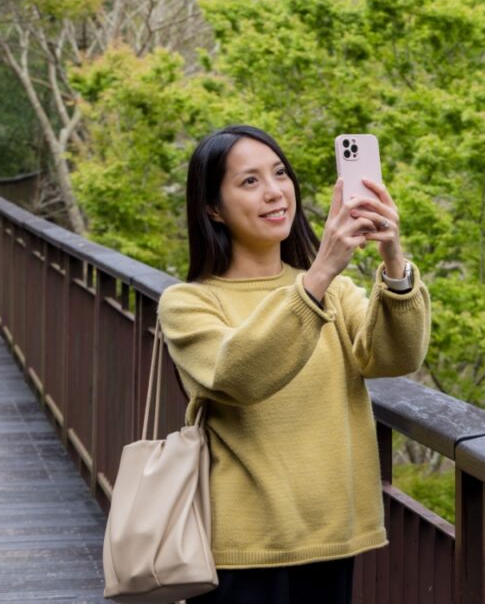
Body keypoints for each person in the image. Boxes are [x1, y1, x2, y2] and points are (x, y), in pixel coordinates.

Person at [156, 125, 431, 603]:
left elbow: (394, 357)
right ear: (211, 208)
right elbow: (239, 375)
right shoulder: (189, 304)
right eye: (249, 181)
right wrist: (321, 271)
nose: (274, 192)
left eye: (279, 174)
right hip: (241, 551)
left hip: (331, 538)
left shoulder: (336, 292)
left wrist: (393, 260)